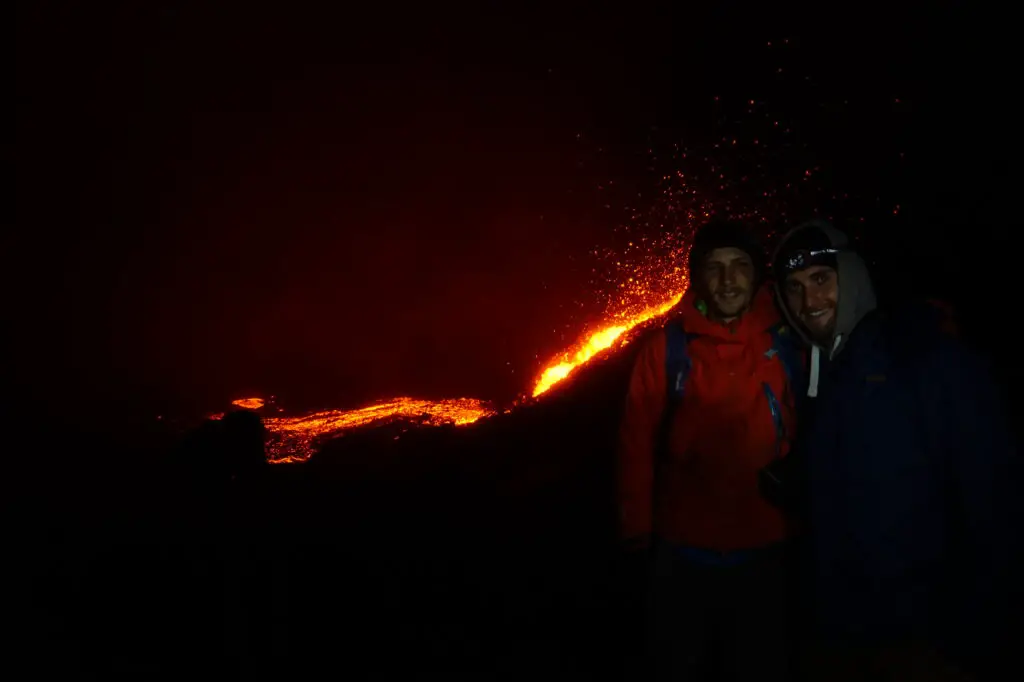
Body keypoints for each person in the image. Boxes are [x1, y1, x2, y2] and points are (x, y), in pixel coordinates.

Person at [771, 220, 1022, 681]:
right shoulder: (824, 376)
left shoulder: (924, 356)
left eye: (822, 279)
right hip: (848, 636)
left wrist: (967, 645)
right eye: (794, 287)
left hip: (925, 641)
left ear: (853, 275)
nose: (809, 302)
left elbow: (996, 503)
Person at [617, 219, 804, 681]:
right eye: (715, 267)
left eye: (739, 266)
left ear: (757, 276)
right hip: (683, 551)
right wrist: (637, 531)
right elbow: (635, 443)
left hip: (768, 549)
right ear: (697, 277)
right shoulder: (666, 350)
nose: (727, 280)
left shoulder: (789, 344)